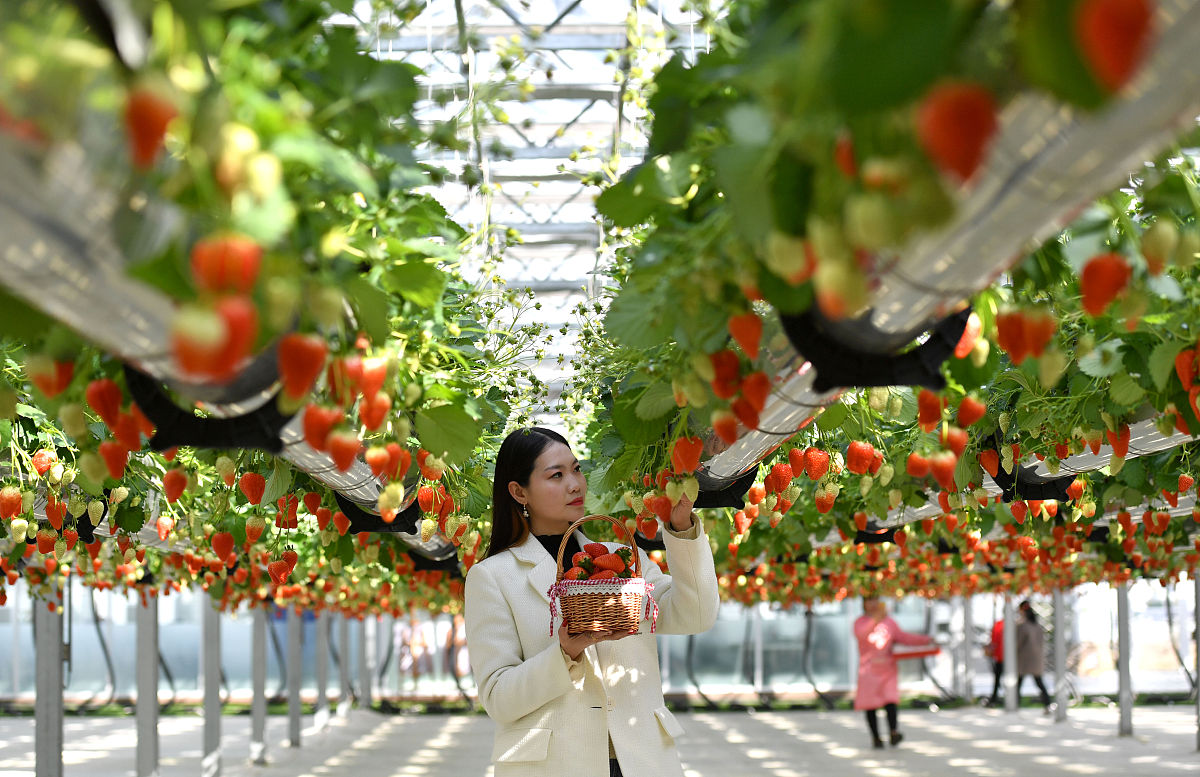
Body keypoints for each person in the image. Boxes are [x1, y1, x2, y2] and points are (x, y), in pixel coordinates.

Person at [464, 427, 719, 777]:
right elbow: (498, 698)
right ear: (518, 491)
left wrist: (681, 526)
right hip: (555, 766)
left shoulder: (624, 558)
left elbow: (697, 615)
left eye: (577, 469)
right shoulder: (493, 577)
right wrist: (564, 653)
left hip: (642, 761)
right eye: (556, 475)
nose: (575, 484)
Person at [853, 597, 935, 749]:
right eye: (870, 601)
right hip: (869, 669)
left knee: (890, 701)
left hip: (887, 668)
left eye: (875, 601)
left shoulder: (889, 622)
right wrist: (875, 619)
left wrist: (926, 640)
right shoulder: (860, 622)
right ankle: (876, 737)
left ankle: (893, 731)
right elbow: (861, 635)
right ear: (864, 604)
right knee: (870, 705)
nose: (873, 604)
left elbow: (904, 638)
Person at [1016, 600, 1051, 712]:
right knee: (1039, 682)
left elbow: (1018, 642)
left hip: (1025, 659)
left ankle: (1015, 704)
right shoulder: (1037, 626)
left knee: (1018, 683)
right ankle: (1047, 704)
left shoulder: (1022, 625)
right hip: (1036, 659)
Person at [986, 617, 1005, 706]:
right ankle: (1014, 698)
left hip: (1000, 656)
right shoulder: (1014, 624)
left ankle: (994, 698)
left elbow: (994, 640)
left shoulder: (998, 625)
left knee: (997, 678)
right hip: (1006, 656)